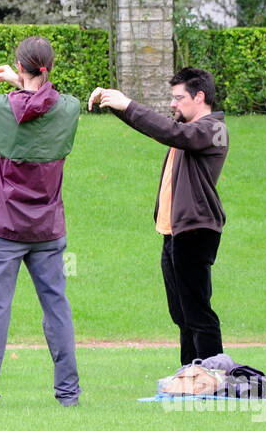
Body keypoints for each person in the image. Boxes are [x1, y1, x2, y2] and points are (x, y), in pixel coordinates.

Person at [0, 36, 82, 408]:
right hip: (47, 228)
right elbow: (52, 100)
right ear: (49, 67)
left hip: (4, 228)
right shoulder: (69, 109)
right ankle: (68, 394)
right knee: (56, 307)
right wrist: (20, 82)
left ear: (20, 66)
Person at [88, 67, 230, 365]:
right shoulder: (187, 131)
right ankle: (191, 373)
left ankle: (214, 375)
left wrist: (127, 102)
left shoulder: (213, 130)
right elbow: (158, 128)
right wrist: (115, 106)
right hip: (174, 232)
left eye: (178, 98)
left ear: (200, 96)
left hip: (196, 230)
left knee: (197, 309)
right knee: (180, 313)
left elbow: (172, 132)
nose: (172, 104)